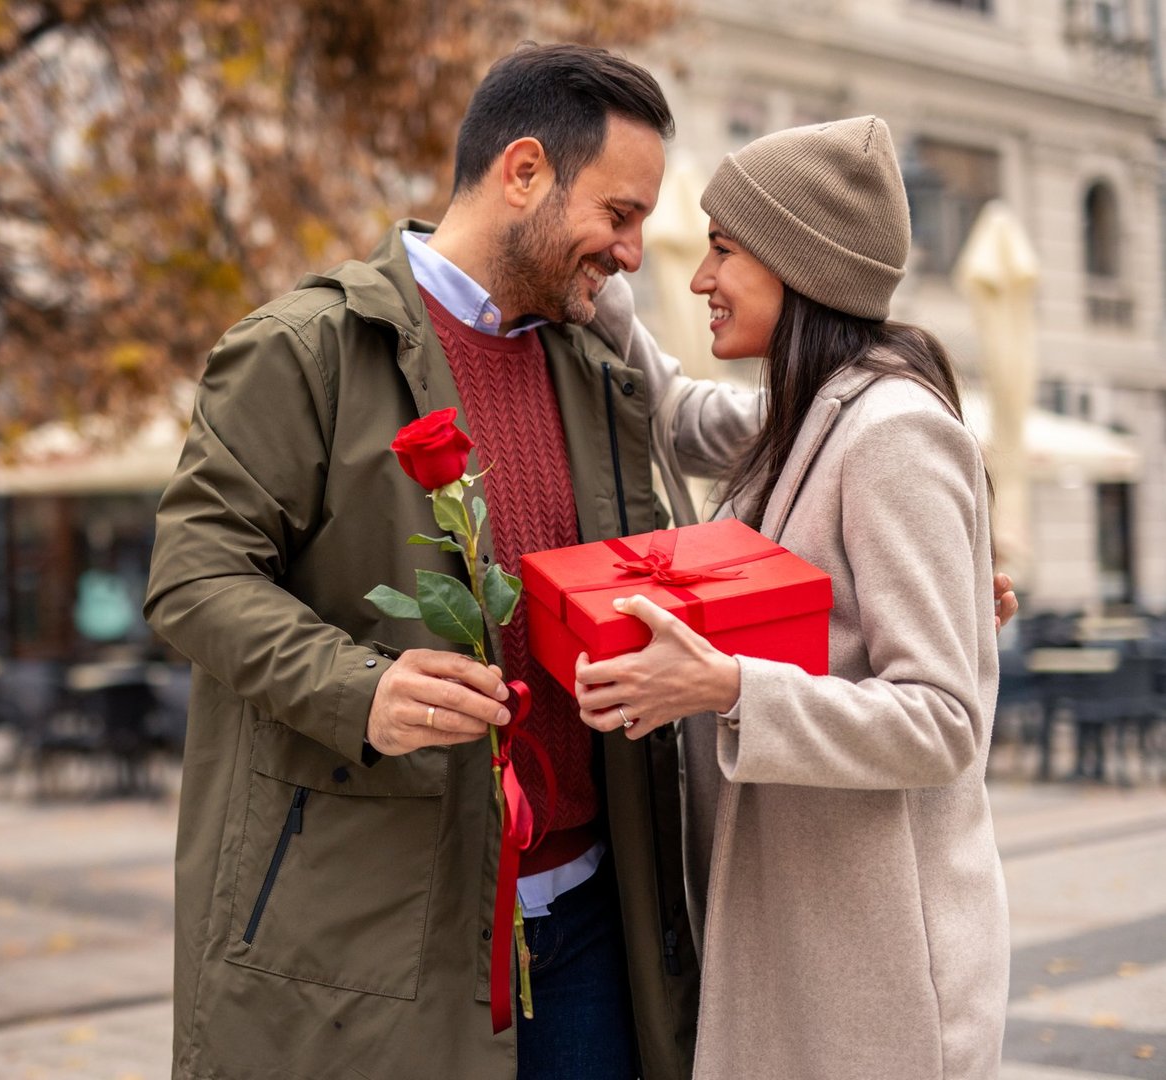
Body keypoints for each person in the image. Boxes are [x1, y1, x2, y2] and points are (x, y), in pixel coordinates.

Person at [145, 44, 699, 1080]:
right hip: (375, 927)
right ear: (523, 172)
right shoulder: (305, 347)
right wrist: (364, 688)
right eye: (620, 215)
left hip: (591, 924)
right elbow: (192, 578)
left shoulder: (600, 375)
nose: (631, 254)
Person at [572, 117, 1012, 1079]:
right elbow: (680, 416)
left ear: (799, 264)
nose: (699, 278)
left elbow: (944, 722)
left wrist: (727, 686)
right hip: (811, 947)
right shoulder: (811, 410)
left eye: (723, 251)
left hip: (878, 980)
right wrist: (601, 297)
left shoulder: (892, 433)